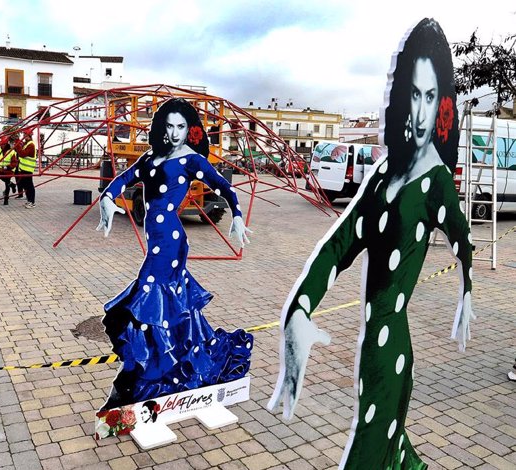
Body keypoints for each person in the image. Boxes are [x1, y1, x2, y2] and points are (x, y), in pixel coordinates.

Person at [268, 19, 474, 470]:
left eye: (430, 97)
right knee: (395, 454)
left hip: (388, 352)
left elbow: (462, 234)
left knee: (367, 456)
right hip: (377, 349)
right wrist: (300, 310)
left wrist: (468, 290)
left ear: (442, 105)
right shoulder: (382, 176)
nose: (420, 111)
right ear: (403, 98)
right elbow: (339, 245)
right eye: (414, 95)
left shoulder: (436, 180)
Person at [97, 98, 253, 409]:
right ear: (160, 128)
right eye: (169, 126)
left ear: (190, 130)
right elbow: (121, 180)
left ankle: (137, 378)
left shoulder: (191, 160)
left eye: (181, 126)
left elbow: (224, 187)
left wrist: (236, 215)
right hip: (157, 240)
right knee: (162, 306)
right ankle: (159, 368)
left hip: (169, 242)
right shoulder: (149, 159)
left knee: (144, 306)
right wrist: (106, 198)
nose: (174, 133)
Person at [15, 130, 37, 208]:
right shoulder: (26, 144)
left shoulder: (31, 145)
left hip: (28, 169)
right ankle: (29, 201)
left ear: (29, 136)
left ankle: (32, 202)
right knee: (25, 185)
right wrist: (17, 142)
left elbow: (22, 154)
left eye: (25, 135)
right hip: (24, 169)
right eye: (24, 134)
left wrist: (17, 145)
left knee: (29, 186)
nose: (24, 136)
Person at [0, 136, 18, 205]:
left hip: (8, 171)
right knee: (6, 181)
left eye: (3, 144)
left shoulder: (11, 151)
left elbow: (14, 162)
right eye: (1, 144)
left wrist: (8, 167)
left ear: (6, 144)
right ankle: (12, 185)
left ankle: (6, 199)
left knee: (7, 183)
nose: (2, 146)